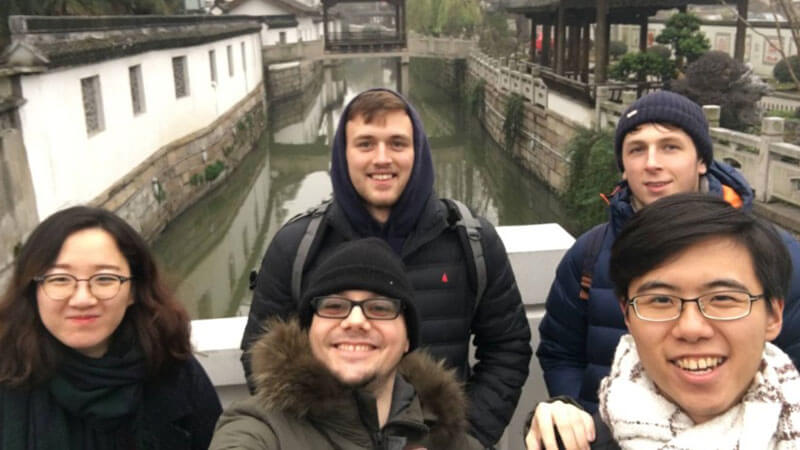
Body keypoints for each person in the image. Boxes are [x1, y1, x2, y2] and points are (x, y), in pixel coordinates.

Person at [241, 88, 531, 446]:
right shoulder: (297, 246)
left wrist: (459, 438)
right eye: (365, 144)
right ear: (343, 155)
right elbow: (260, 350)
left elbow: (508, 348)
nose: (382, 158)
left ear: (418, 152)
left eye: (397, 143)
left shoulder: (471, 242)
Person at [537, 90, 800, 412]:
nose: (652, 164)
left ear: (702, 160)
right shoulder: (589, 253)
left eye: (670, 147)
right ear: (623, 167)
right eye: (636, 150)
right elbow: (560, 351)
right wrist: (584, 413)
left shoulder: (776, 253)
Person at [526, 193, 800, 449]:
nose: (691, 328)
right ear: (628, 317)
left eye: (722, 299)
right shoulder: (590, 440)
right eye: (660, 300)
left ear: (773, 316)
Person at [211, 238, 484, 449]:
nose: (355, 320)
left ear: (407, 340)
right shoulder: (260, 426)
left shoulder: (443, 431)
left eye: (379, 307)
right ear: (309, 332)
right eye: (334, 306)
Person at [0, 206, 221, 449]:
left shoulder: (173, 371)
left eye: (105, 279)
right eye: (60, 279)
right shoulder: (9, 376)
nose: (82, 299)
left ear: (134, 291)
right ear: (33, 291)